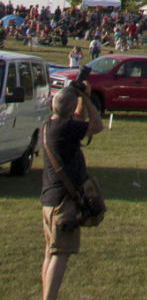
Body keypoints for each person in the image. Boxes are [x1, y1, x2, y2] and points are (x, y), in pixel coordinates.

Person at [40, 79, 104, 300]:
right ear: (69, 109)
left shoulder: (52, 126)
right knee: (60, 254)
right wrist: (86, 97)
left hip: (49, 199)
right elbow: (97, 126)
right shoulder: (66, 128)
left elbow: (81, 121)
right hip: (63, 203)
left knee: (51, 252)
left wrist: (77, 100)